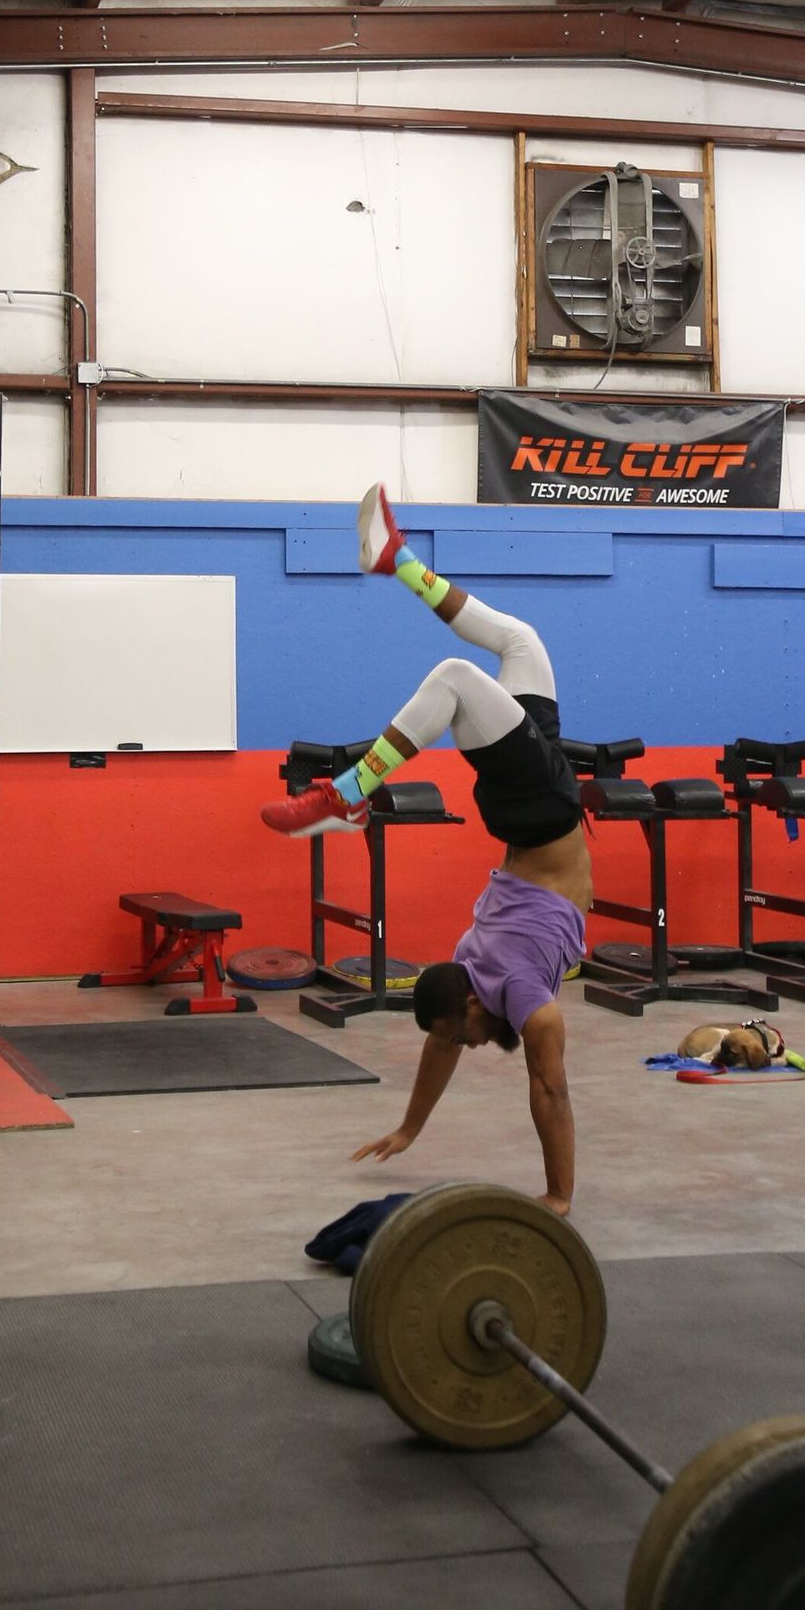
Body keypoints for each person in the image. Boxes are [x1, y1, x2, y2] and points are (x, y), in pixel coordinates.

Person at [259, 483, 586, 1214]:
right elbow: (542, 1081)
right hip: (538, 812)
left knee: (492, 658)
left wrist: (415, 1127)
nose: (467, 1045)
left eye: (460, 1035)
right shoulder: (511, 996)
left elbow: (473, 1055)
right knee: (490, 661)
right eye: (465, 1039)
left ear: (467, 1000)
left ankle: (347, 791)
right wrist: (554, 1195)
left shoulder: (486, 985)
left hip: (537, 812)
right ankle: (396, 562)